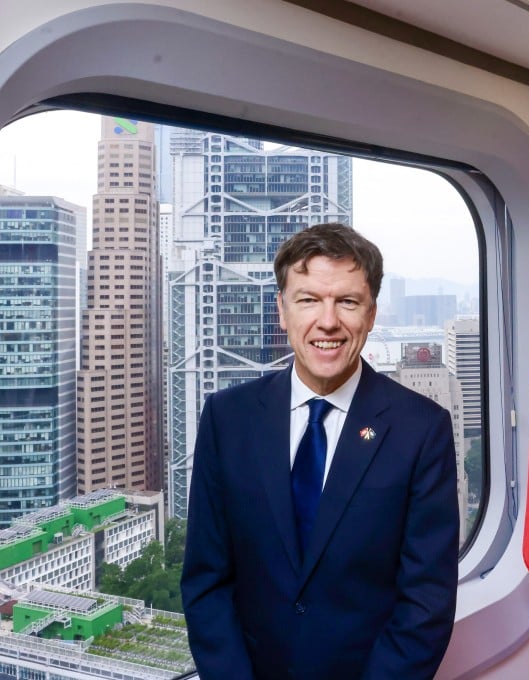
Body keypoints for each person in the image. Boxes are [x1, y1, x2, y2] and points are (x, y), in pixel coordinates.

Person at [181, 222, 459, 680]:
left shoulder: (421, 430)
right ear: (282, 310)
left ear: (371, 314)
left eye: (347, 301)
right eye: (308, 299)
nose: (327, 321)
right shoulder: (227, 418)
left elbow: (426, 603)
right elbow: (206, 580)